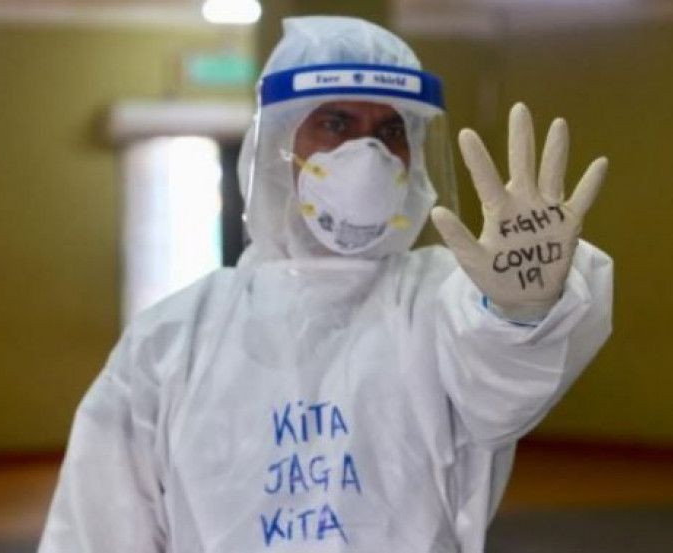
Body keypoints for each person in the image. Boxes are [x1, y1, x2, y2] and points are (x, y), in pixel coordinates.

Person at [38, 15, 612, 553]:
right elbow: (98, 526)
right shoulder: (174, 337)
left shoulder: (443, 299)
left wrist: (520, 311)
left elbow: (502, 383)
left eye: (391, 130)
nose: (367, 153)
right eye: (335, 124)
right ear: (279, 143)